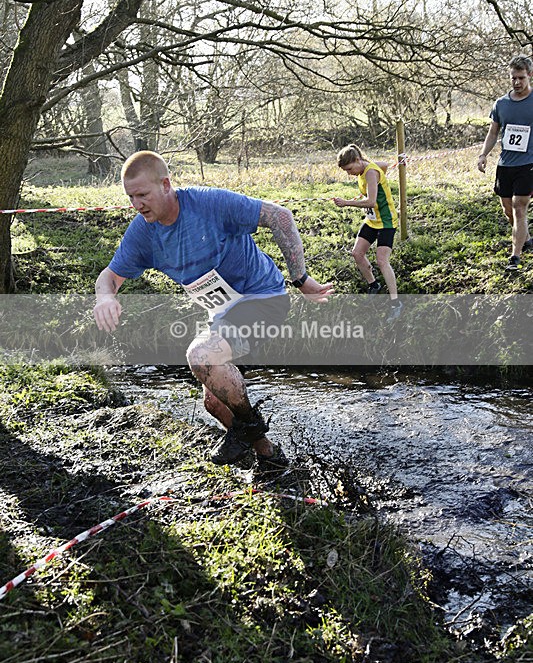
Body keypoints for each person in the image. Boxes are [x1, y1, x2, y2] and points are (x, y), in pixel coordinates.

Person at [94, 150, 333, 473]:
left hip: (263, 298)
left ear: (166, 185)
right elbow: (108, 277)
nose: (137, 205)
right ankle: (270, 457)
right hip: (222, 313)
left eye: (142, 195)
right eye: (130, 197)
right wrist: (105, 298)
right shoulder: (143, 232)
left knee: (201, 356)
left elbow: (281, 217)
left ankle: (248, 426)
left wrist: (300, 278)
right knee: (213, 401)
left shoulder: (209, 204)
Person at [332, 143, 402, 320]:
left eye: (349, 169)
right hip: (372, 221)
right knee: (357, 253)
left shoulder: (370, 172)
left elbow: (371, 202)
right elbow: (384, 165)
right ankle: (374, 285)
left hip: (386, 221)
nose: (349, 174)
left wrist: (347, 202)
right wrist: (398, 163)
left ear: (357, 160)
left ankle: (396, 303)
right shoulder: (367, 167)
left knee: (382, 260)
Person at [478, 54, 533, 271]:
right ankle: (525, 238)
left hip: (528, 163)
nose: (517, 82)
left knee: (520, 207)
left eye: (521, 78)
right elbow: (493, 132)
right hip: (506, 164)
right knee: (508, 209)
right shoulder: (501, 103)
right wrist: (483, 155)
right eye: (513, 78)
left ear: (529, 76)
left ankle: (515, 257)